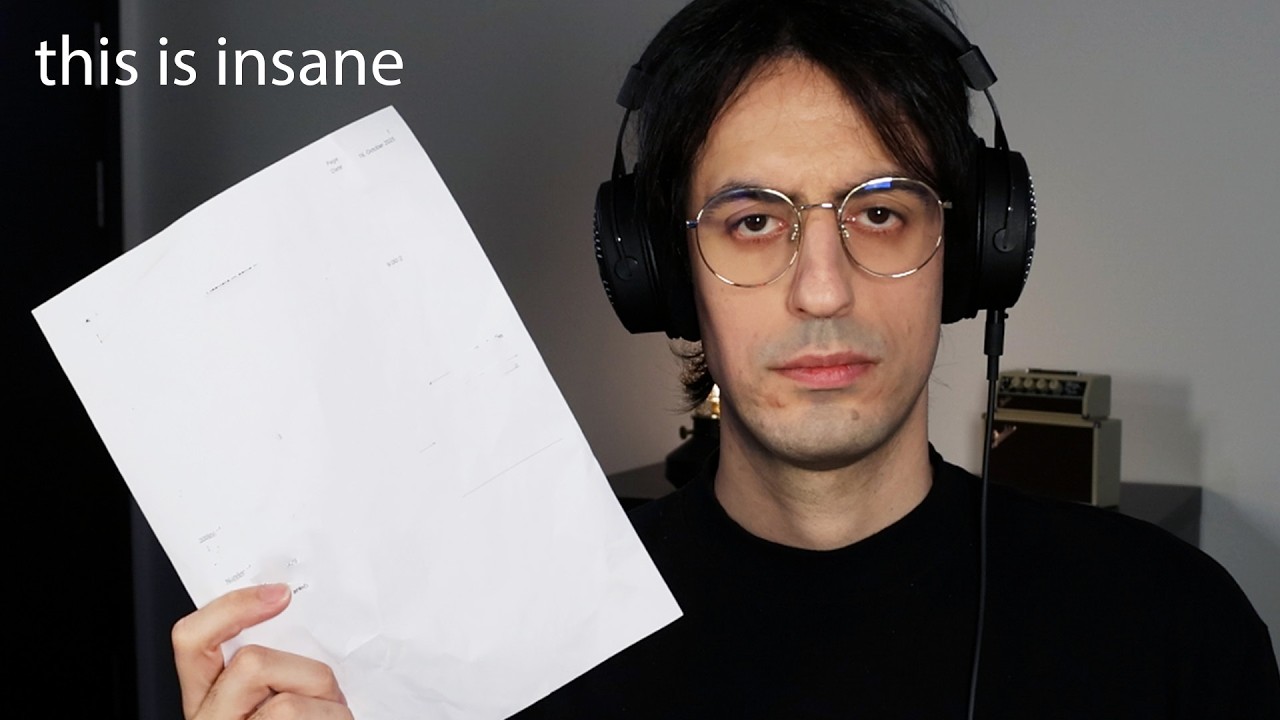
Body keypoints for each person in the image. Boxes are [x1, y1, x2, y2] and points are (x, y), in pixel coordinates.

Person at [171, 0, 1280, 717]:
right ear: (661, 271)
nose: (821, 287)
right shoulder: (506, 643)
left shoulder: (1170, 630)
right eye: (752, 222)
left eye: (880, 213)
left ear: (971, 250)